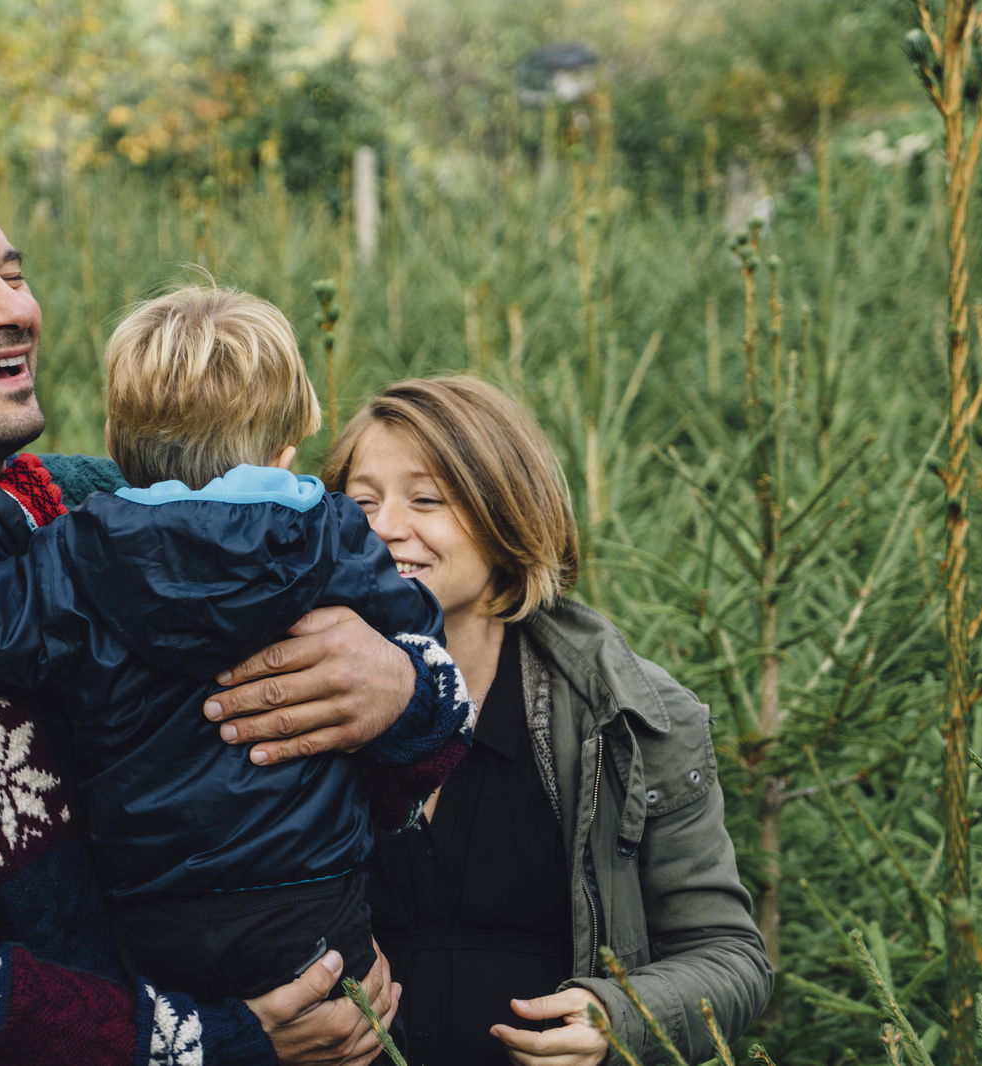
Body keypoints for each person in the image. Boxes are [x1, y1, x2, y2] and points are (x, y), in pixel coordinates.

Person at [0, 158, 466, 1066]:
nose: (16, 309)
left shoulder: (111, 502)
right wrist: (227, 1042)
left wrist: (397, 683)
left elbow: (416, 760)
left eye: (14, 274)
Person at [0, 285, 475, 1001]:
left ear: (114, 443)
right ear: (286, 446)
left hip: (152, 905)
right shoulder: (331, 536)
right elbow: (418, 642)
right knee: (349, 1034)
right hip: (315, 892)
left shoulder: (75, 553)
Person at [321, 376, 772, 1066]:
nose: (385, 527)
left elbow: (730, 957)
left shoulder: (628, 717)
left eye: (426, 500)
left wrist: (621, 1016)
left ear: (506, 519)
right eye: (362, 503)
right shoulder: (291, 699)